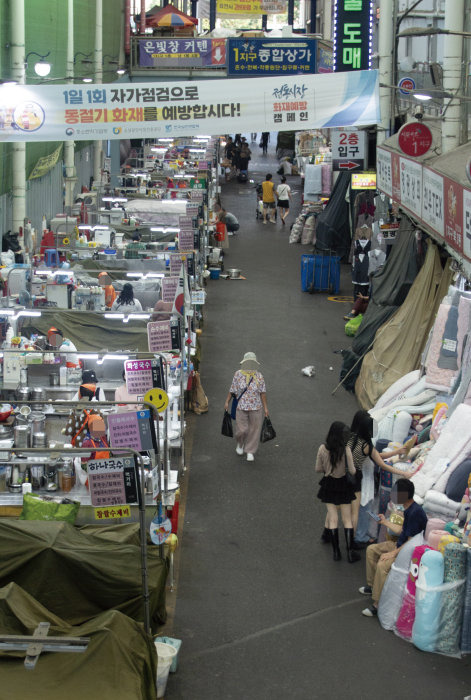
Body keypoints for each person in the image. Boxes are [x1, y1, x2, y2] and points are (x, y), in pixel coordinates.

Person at [359, 478, 428, 617]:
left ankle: (377, 604)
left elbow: (411, 544)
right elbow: (402, 531)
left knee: (382, 564)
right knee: (371, 550)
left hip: (406, 551)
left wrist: (393, 554)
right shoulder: (409, 509)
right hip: (400, 545)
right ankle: (373, 586)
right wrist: (384, 522)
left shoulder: (415, 513)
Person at [315, 421, 360, 563]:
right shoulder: (345, 449)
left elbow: (318, 468)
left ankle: (336, 553)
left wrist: (328, 468)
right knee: (347, 519)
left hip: (329, 485)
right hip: (344, 486)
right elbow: (352, 471)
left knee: (333, 518)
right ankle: (350, 552)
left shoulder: (323, 448)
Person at [224, 352, 268, 462]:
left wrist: (266, 408)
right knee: (242, 430)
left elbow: (262, 393)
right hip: (241, 407)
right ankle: (240, 443)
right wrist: (227, 402)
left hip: (256, 407)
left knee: (254, 430)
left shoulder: (259, 376)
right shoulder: (238, 374)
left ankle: (250, 451)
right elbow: (233, 389)